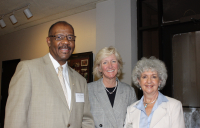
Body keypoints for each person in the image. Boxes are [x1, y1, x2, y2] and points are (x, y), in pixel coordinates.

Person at [4, 21, 94, 128]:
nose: (66, 42)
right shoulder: (28, 69)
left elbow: (86, 120)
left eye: (70, 38)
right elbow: (15, 118)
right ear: (48, 41)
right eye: (59, 37)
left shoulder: (80, 80)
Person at [124, 57, 185, 128]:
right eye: (144, 77)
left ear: (160, 81)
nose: (149, 81)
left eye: (154, 77)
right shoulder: (131, 110)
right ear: (139, 81)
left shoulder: (174, 106)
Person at [88, 46, 137, 128]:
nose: (110, 66)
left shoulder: (129, 91)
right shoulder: (89, 90)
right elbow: (84, 120)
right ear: (99, 68)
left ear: (118, 65)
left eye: (113, 61)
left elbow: (134, 121)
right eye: (105, 62)